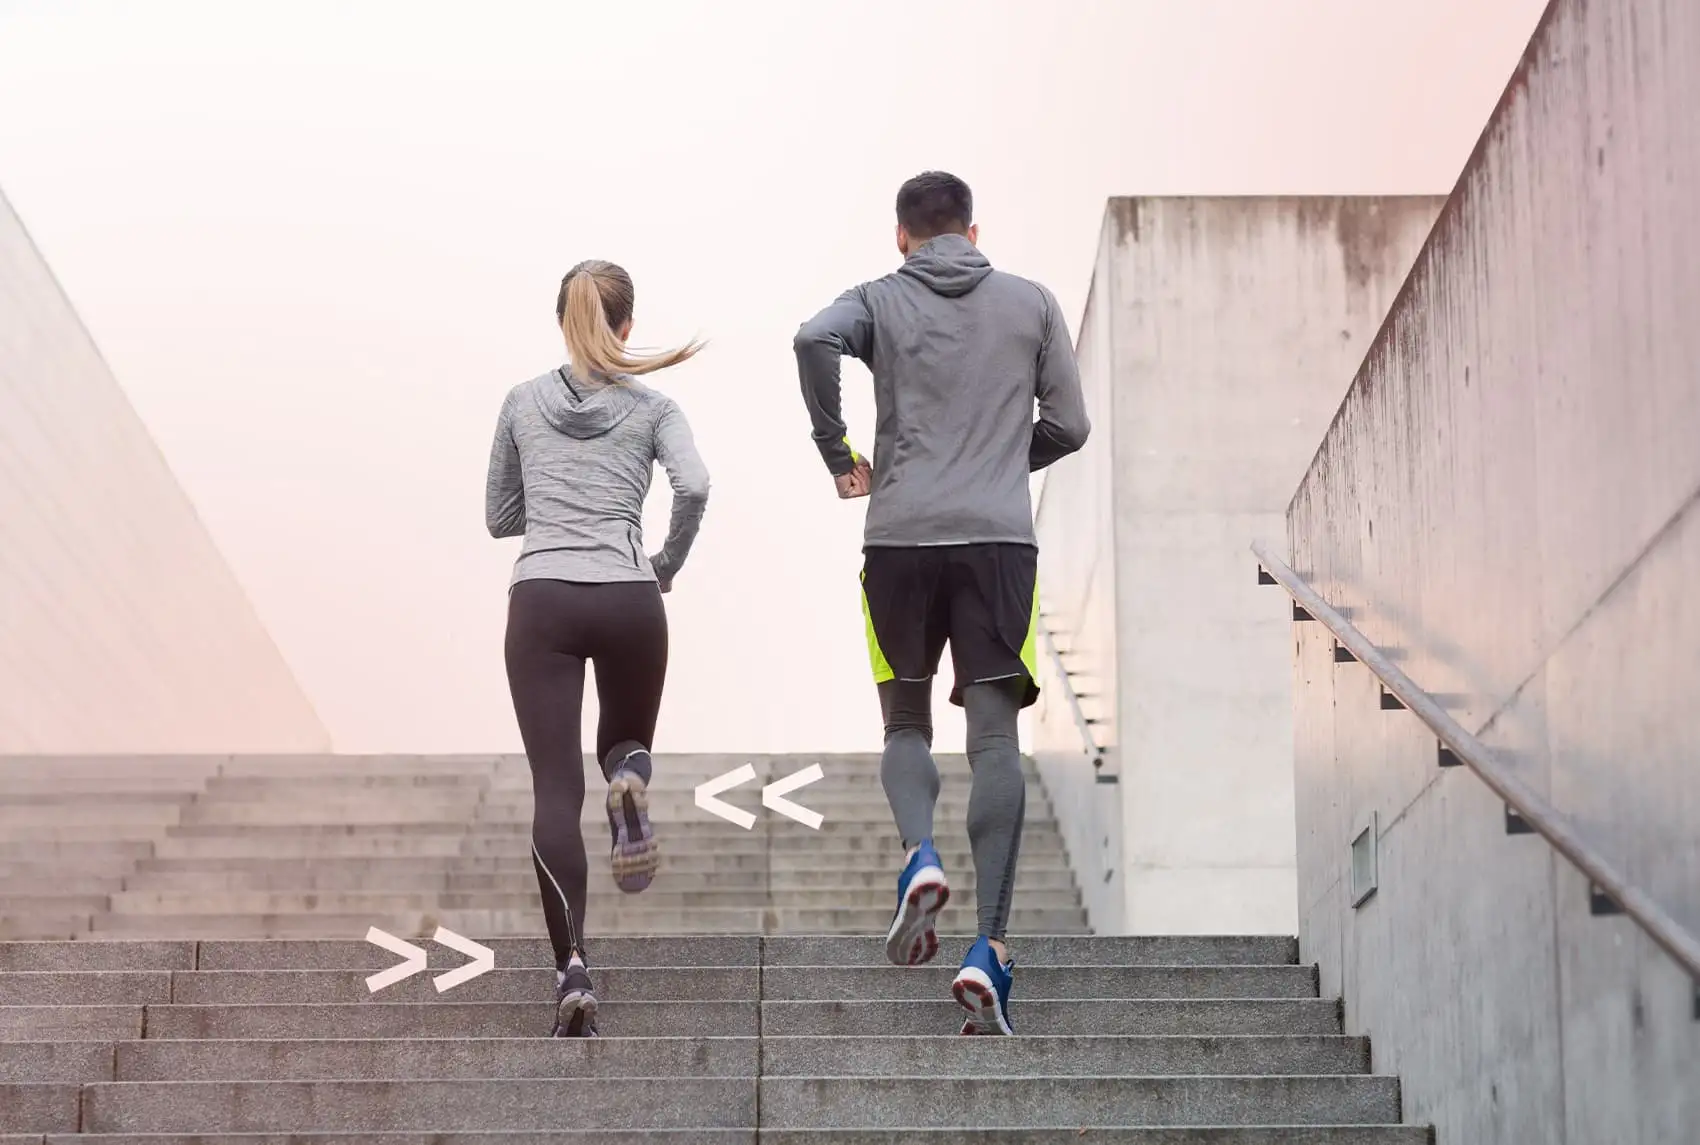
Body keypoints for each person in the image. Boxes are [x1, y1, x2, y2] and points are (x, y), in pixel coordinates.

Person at [793, 171, 1090, 1035]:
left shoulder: (877, 298)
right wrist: (1000, 459)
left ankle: (918, 855)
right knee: (995, 737)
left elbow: (813, 338)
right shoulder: (1031, 302)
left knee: (904, 725)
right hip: (1000, 542)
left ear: (902, 235)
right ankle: (986, 947)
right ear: (973, 228)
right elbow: (1069, 425)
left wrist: (837, 449)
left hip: (898, 539)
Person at [486, 259, 710, 1037]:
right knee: (623, 741)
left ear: (562, 322)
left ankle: (573, 966)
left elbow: (498, 514)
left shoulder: (521, 401)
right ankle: (630, 778)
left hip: (542, 596)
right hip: (628, 592)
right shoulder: (655, 407)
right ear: (627, 325)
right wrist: (666, 562)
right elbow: (696, 485)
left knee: (554, 790)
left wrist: (554, 504)